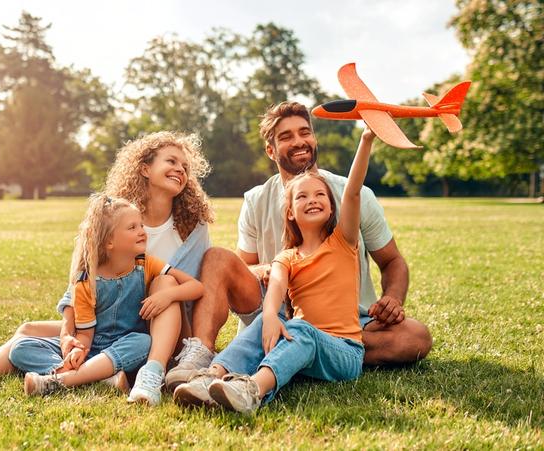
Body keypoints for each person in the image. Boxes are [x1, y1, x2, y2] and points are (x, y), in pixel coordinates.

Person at [0, 131, 213, 394]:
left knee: (162, 287)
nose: (180, 170)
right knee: (26, 331)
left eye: (185, 166)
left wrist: (167, 295)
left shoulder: (190, 226)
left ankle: (85, 373)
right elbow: (79, 282)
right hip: (103, 321)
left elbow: (191, 285)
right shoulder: (112, 216)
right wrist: (68, 335)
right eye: (171, 161)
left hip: (153, 328)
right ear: (144, 168)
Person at [166, 102, 432, 390]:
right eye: (286, 136)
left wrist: (392, 299)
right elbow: (243, 268)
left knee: (415, 337)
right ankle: (202, 358)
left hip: (347, 320)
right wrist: (271, 270)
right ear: (271, 150)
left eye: (305, 132)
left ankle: (298, 351)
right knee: (217, 258)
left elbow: (393, 261)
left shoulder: (351, 196)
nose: (299, 141)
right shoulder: (257, 200)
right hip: (275, 308)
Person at [174, 128, 375, 412]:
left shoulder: (343, 243)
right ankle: (210, 378)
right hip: (301, 347)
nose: (313, 199)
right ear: (290, 211)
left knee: (300, 329)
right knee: (269, 323)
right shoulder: (287, 257)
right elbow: (276, 288)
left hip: (344, 353)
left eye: (320, 195)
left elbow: (353, 191)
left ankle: (252, 389)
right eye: (302, 197)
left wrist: (366, 140)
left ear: (332, 207)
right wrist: (269, 316)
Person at [9, 195, 203, 405]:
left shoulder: (146, 264)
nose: (142, 232)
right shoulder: (87, 281)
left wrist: (168, 295)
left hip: (127, 345)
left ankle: (64, 379)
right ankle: (91, 377)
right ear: (109, 242)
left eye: (141, 225)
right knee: (21, 348)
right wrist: (77, 350)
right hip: (94, 347)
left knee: (144, 341)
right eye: (132, 227)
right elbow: (85, 334)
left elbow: (196, 287)